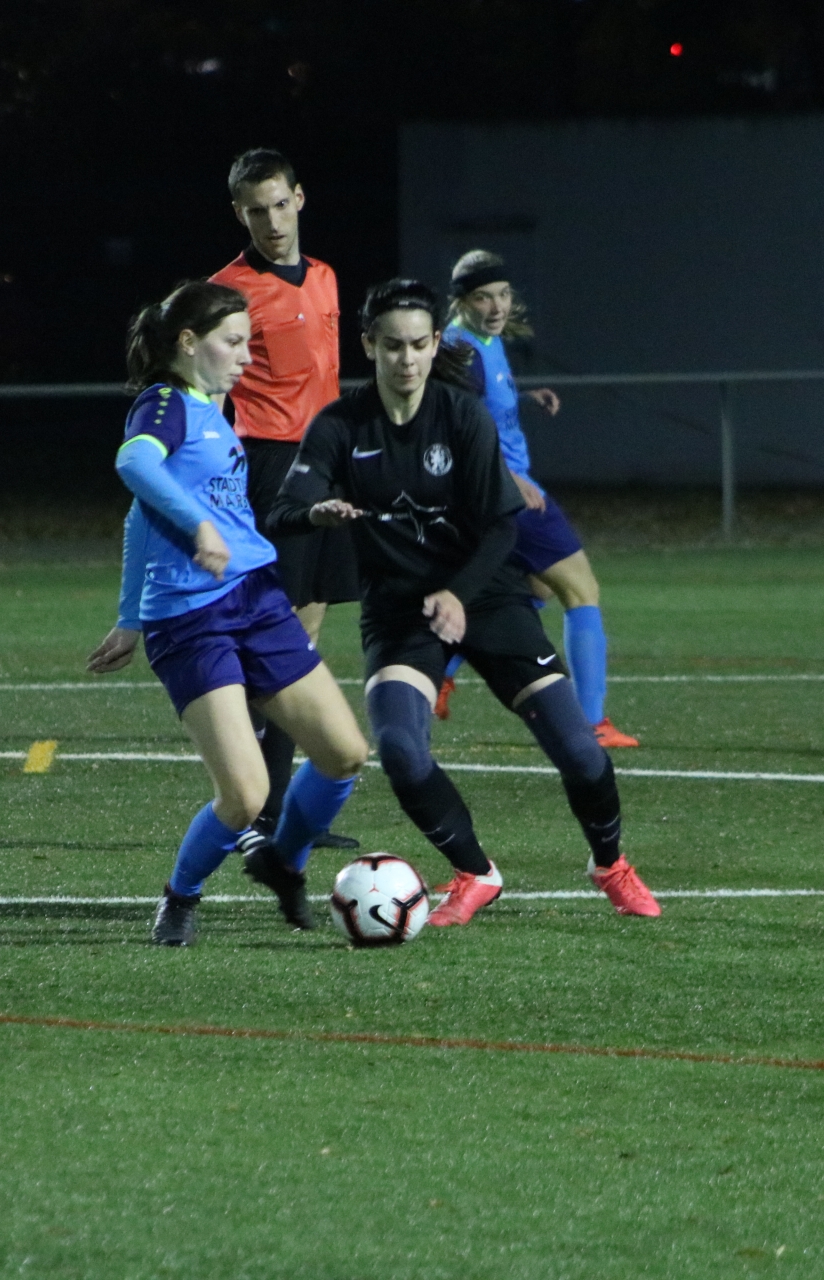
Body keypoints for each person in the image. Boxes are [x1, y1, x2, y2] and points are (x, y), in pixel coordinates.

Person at [267, 278, 660, 927]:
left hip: (488, 594)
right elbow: (284, 509)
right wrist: (317, 512)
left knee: (581, 751)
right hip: (400, 610)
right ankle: (477, 873)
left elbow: (502, 526)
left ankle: (609, 864)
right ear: (369, 346)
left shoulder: (462, 417)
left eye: (418, 344)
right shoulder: (340, 425)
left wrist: (458, 592)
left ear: (433, 345)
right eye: (393, 345)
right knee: (400, 749)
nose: (407, 358)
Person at [86, 281, 369, 947]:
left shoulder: (215, 408)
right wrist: (193, 534)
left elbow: (139, 516)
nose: (246, 356)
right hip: (191, 619)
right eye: (233, 342)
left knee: (345, 754)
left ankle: (284, 864)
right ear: (188, 343)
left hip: (256, 599)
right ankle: (180, 897)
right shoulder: (164, 403)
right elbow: (134, 465)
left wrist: (127, 613)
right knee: (243, 795)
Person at [209, 148, 362, 850]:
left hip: (326, 465)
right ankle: (254, 810)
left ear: (299, 199)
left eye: (279, 204)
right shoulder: (227, 291)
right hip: (271, 465)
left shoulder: (325, 276)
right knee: (274, 644)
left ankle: (279, 813)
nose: (271, 222)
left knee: (305, 636)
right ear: (238, 214)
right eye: (255, 211)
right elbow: (208, 387)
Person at [434, 251, 640, 748]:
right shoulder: (460, 352)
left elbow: (484, 407)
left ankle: (441, 669)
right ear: (461, 300)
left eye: (503, 294)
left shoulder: (483, 341)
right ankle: (591, 723)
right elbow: (456, 430)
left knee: (536, 587)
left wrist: (524, 398)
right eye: (483, 297)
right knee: (582, 590)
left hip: (500, 487)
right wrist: (508, 477)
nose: (497, 306)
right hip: (506, 490)